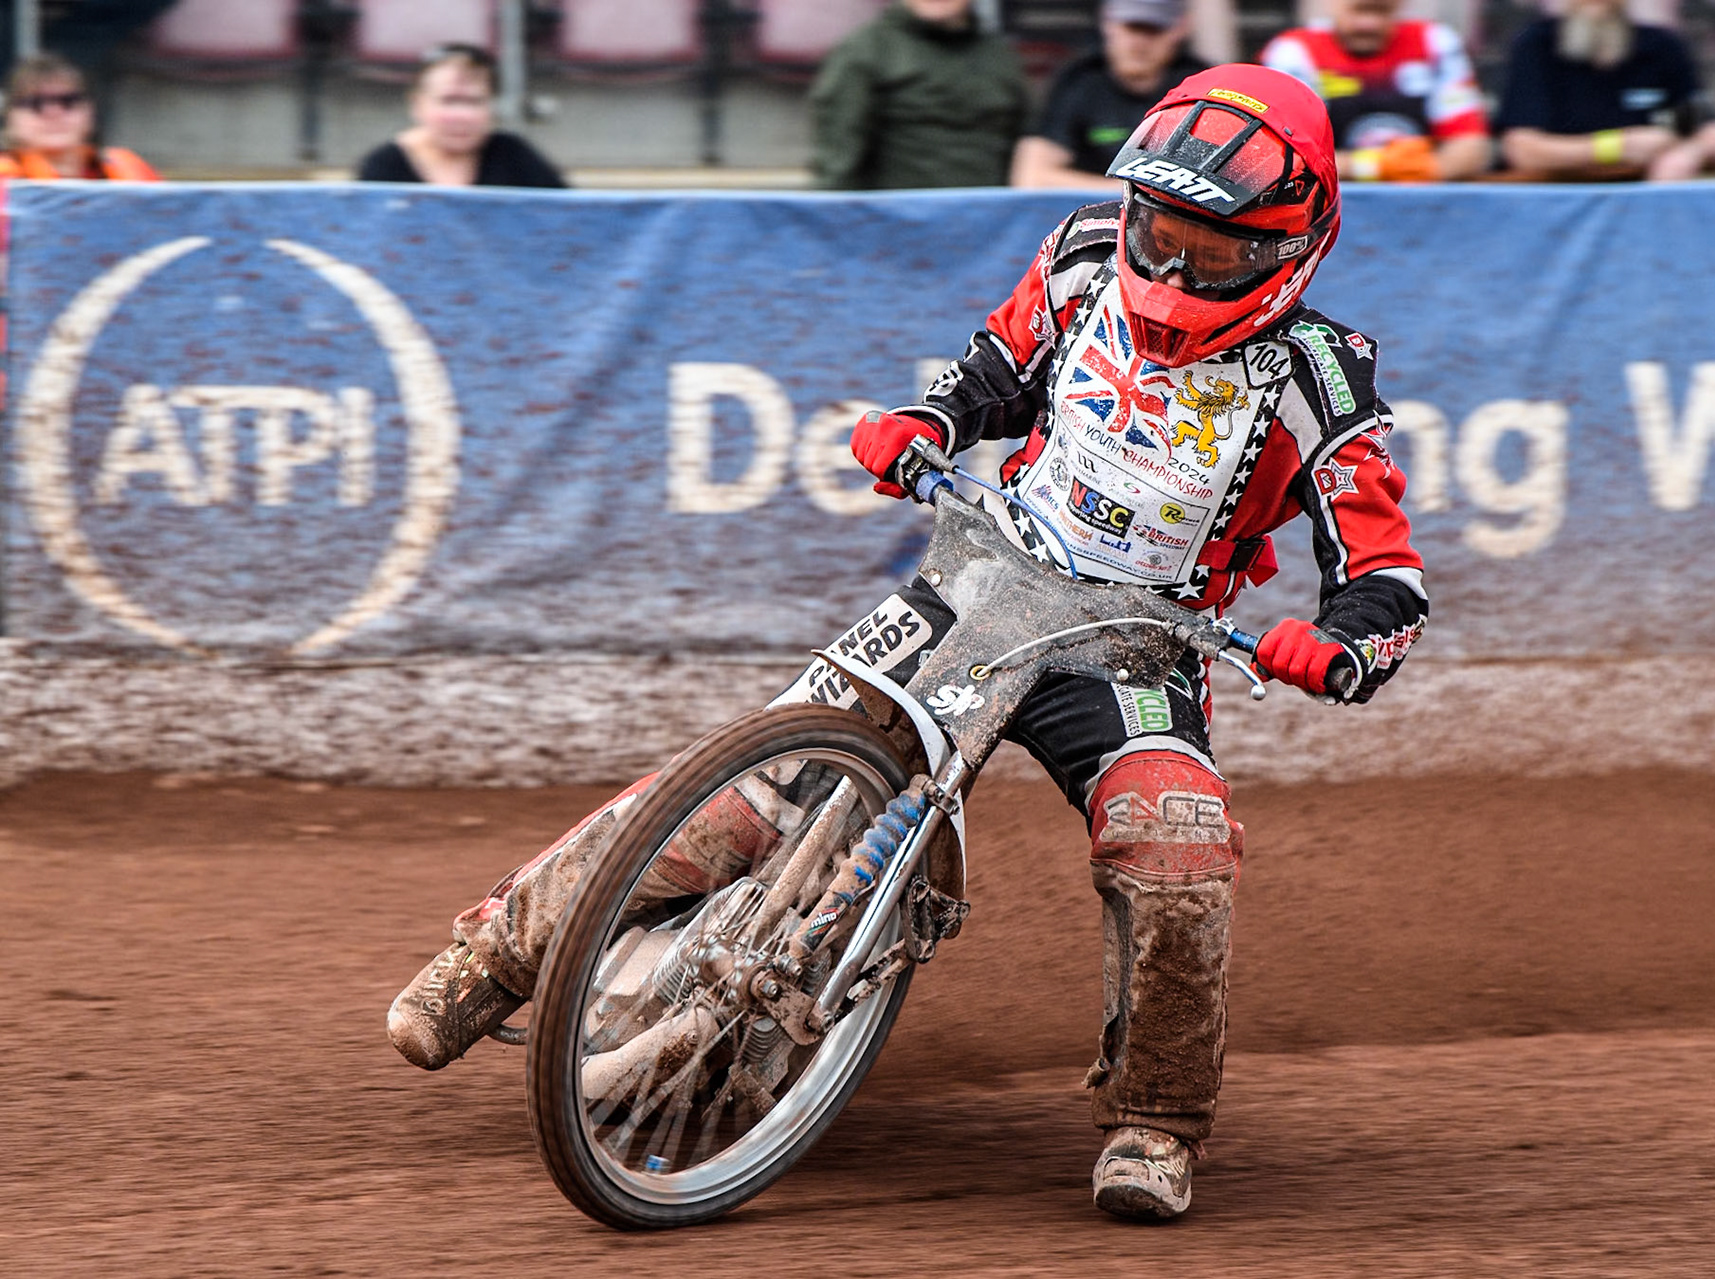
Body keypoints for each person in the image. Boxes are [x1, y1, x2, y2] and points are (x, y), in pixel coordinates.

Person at [388, 64, 1427, 1223]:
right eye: (1162, 234)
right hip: (984, 578)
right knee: (763, 775)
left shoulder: (1323, 378)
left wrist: (1342, 645)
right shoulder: (1083, 255)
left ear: (1291, 248)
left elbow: (1389, 578)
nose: (1176, 271)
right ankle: (496, 954)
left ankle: (1156, 1121)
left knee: (1177, 845)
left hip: (1138, 645)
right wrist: (927, 420)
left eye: (1214, 251)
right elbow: (991, 374)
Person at [1494, 0, 1715, 182]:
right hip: (1559, 199)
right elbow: (1522, 150)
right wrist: (1615, 147)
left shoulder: (1662, 47)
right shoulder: (1537, 45)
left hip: (1642, 198)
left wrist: (1689, 153)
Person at [1260, 0, 1489, 183]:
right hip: (1331, 198)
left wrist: (1428, 168)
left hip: (1420, 192)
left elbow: (1472, 146)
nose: (1368, 26)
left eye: (1380, 11)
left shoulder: (1434, 42)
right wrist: (1376, 166)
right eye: (1359, 11)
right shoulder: (1295, 51)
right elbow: (1284, 157)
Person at [808, 0, 1027, 190]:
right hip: (896, 218)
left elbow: (1026, 146)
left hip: (993, 217)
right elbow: (837, 166)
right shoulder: (866, 50)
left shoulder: (999, 56)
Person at [1011, 0, 1207, 191]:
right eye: (1131, 28)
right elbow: (1031, 177)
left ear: (1180, 29)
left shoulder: (1200, 86)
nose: (1139, 43)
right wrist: (1132, 192)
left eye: (1153, 31)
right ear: (1107, 24)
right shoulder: (1079, 81)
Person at [356, 44, 566, 189]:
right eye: (448, 101)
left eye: (474, 101)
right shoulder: (384, 166)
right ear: (417, 105)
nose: (462, 115)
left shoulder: (514, 155)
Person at [0, 52, 157, 180]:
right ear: (9, 118)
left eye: (68, 101)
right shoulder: (4, 177)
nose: (54, 112)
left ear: (91, 111)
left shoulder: (129, 169)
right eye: (35, 103)